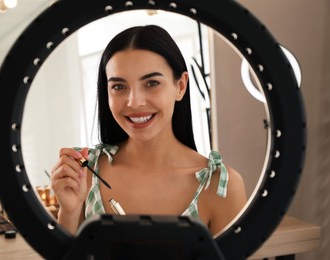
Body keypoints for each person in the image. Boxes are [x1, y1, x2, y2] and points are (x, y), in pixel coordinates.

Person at [51, 25, 247, 236]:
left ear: (180, 86)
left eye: (152, 83)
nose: (134, 102)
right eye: (119, 86)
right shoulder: (86, 173)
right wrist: (68, 213)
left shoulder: (220, 186)